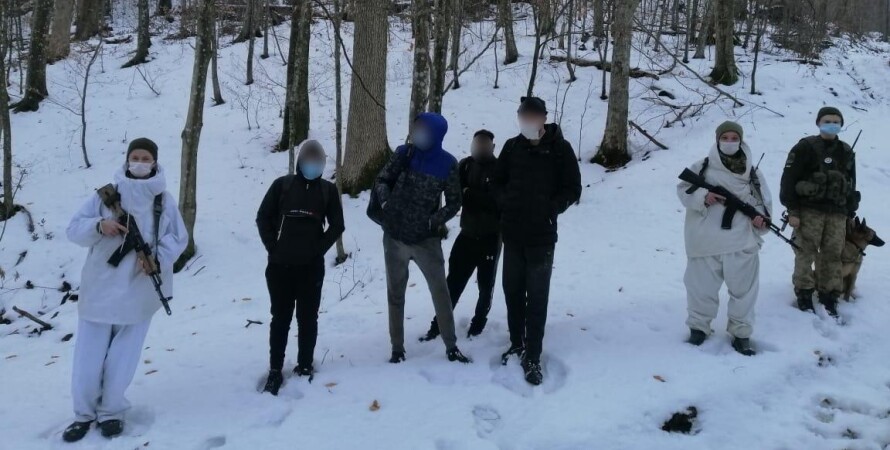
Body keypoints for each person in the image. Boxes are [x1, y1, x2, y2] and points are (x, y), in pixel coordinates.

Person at [64, 138, 188, 442]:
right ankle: (83, 415)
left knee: (123, 358)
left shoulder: (163, 200)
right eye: (135, 156)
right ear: (127, 159)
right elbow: (73, 229)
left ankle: (111, 412)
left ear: (154, 163)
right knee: (88, 358)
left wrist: (157, 259)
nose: (140, 162)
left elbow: (178, 237)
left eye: (145, 158)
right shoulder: (106, 196)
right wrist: (99, 226)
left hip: (140, 289)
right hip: (100, 287)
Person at [493, 97, 582, 385]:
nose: (527, 121)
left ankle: (533, 355)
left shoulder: (560, 149)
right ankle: (516, 343)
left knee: (537, 296)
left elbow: (573, 187)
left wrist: (551, 207)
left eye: (532, 116)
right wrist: (505, 202)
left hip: (542, 237)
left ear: (543, 118)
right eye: (523, 116)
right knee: (512, 291)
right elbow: (497, 181)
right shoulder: (511, 146)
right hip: (512, 234)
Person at [373, 112, 472, 364]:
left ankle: (451, 346)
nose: (418, 132)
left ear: (436, 133)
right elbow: (382, 179)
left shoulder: (448, 164)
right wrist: (386, 203)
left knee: (440, 293)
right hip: (394, 236)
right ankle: (397, 349)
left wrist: (432, 221)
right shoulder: (404, 153)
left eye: (423, 129)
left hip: (426, 241)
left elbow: (454, 202)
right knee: (395, 294)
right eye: (416, 127)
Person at [256, 140, 345, 395]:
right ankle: (275, 370)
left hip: (311, 268)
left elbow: (337, 225)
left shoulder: (327, 191)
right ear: (300, 161)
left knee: (308, 318)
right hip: (279, 267)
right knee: (280, 318)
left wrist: (318, 249)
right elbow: (263, 217)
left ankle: (305, 365)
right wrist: (273, 247)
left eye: (318, 160)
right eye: (309, 159)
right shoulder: (282, 186)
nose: (312, 164)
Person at [676, 122, 772, 356]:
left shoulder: (752, 173)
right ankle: (698, 328)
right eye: (725, 137)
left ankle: (741, 333)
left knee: (744, 292)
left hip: (741, 241)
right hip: (705, 240)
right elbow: (683, 190)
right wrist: (703, 196)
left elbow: (764, 203)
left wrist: (760, 220)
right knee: (700, 289)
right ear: (717, 139)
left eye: (734, 138)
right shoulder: (702, 167)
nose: (729, 142)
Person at [420, 129, 501, 342]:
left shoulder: (500, 168)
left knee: (485, 286)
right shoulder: (465, 165)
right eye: (477, 144)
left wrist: (469, 193)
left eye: (484, 145)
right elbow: (454, 193)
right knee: (452, 283)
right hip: (467, 235)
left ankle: (478, 325)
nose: (480, 148)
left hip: (491, 237)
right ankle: (438, 325)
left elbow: (497, 202)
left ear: (492, 147)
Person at [780, 107, 859, 318]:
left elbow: (851, 183)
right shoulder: (804, 147)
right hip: (809, 211)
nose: (832, 124)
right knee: (805, 252)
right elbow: (788, 181)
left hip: (837, 213)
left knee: (833, 255)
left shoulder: (846, 150)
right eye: (827, 121)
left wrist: (850, 212)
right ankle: (804, 293)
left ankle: (829, 295)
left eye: (836, 121)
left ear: (841, 124)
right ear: (818, 123)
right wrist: (793, 211)